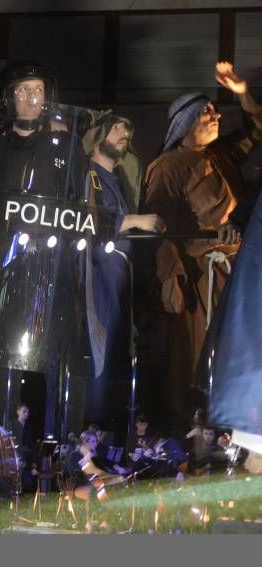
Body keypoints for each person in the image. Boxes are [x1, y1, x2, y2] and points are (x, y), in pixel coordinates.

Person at [0, 61, 89, 439]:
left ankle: (62, 457)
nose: (31, 97)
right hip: (7, 275)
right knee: (4, 368)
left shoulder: (66, 148)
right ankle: (0, 458)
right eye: (22, 90)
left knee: (59, 367)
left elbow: (81, 206)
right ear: (9, 97)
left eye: (37, 89)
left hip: (54, 276)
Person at [144, 61, 262, 426]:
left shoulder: (221, 154)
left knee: (236, 353)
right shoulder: (167, 166)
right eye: (207, 112)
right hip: (199, 275)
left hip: (236, 270)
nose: (216, 117)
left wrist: (242, 93)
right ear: (186, 123)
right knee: (194, 355)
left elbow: (259, 128)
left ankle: (233, 430)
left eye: (215, 110)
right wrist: (170, 275)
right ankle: (193, 436)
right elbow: (158, 223)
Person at [81, 114, 166, 430]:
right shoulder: (88, 175)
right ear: (98, 134)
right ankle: (93, 432)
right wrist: (134, 221)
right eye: (117, 129)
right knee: (102, 346)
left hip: (120, 273)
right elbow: (87, 221)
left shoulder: (117, 178)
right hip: (100, 272)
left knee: (118, 349)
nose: (124, 136)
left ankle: (113, 432)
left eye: (127, 133)